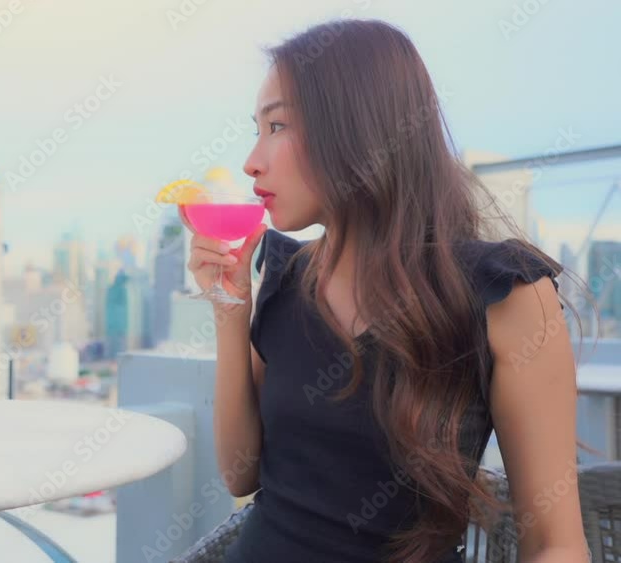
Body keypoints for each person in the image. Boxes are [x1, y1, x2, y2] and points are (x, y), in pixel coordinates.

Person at [183, 19, 592, 563]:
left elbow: (556, 544)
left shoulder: (504, 293)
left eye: (277, 126)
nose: (251, 161)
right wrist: (230, 310)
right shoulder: (284, 276)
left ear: (356, 128)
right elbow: (241, 474)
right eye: (256, 129)